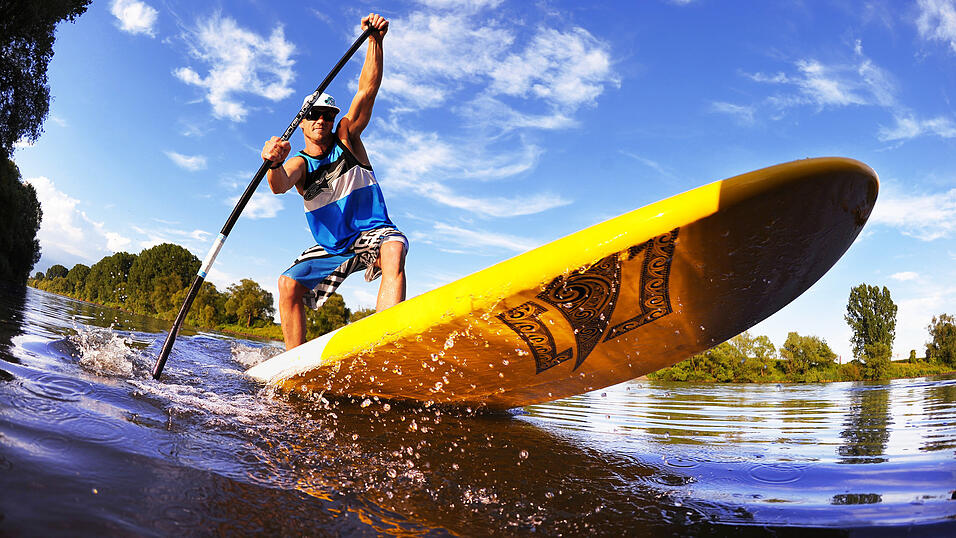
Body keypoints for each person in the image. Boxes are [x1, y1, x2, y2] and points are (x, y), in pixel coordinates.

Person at [261, 13, 406, 350]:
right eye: (313, 115)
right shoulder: (299, 163)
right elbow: (279, 184)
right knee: (287, 285)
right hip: (333, 246)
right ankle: (294, 364)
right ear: (302, 122)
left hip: (373, 232)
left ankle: (384, 346)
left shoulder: (346, 137)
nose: (322, 120)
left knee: (394, 248)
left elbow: (367, 91)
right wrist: (273, 163)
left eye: (328, 115)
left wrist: (375, 42)